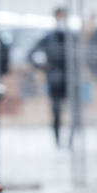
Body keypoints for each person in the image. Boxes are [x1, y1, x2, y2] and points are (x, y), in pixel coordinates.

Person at [30, 8, 69, 147]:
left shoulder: (72, 37)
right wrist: (43, 65)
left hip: (70, 80)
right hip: (55, 79)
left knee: (71, 112)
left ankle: (70, 141)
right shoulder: (48, 38)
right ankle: (57, 140)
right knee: (56, 111)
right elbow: (33, 53)